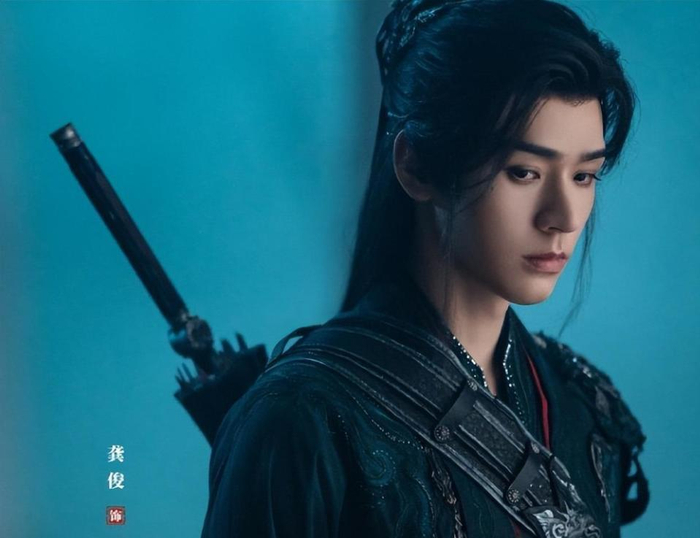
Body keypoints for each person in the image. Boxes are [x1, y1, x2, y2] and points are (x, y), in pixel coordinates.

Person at [200, 1, 650, 536]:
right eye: (524, 172)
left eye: (584, 176)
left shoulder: (582, 404)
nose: (564, 217)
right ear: (415, 164)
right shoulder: (300, 418)